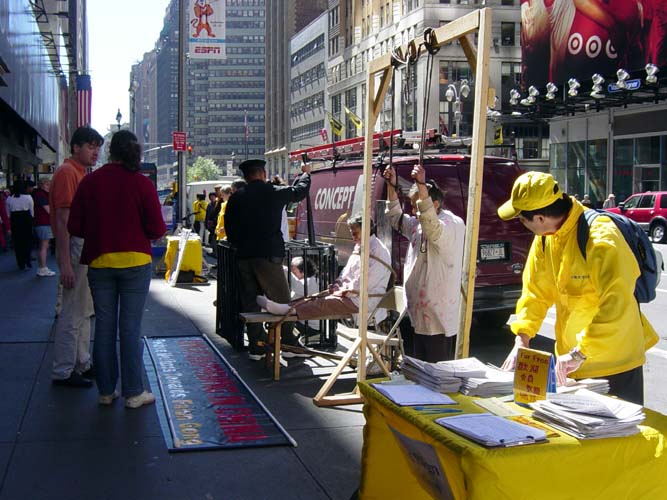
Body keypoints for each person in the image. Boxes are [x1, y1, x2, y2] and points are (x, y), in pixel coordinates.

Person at [497, 171, 658, 405]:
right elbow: (535, 293)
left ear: (540, 218)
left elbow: (617, 304)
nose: (522, 225)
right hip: (572, 364)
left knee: (619, 428)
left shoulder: (600, 236)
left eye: (522, 219)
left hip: (616, 365)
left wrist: (580, 352)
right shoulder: (546, 238)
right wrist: (522, 339)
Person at [68, 130, 167, 407]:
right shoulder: (142, 183)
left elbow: (74, 226)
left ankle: (106, 390)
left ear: (110, 151)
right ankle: (134, 392)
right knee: (130, 328)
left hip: (100, 263)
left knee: (104, 327)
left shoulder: (90, 182)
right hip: (136, 263)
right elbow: (157, 228)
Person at [224, 159, 311, 360]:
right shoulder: (273, 192)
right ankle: (288, 343)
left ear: (246, 177)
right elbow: (299, 192)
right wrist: (306, 174)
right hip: (267, 256)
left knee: (251, 301)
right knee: (281, 300)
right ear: (263, 173)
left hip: (244, 256)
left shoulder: (236, 198)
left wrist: (239, 245)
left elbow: (229, 228)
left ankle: (257, 344)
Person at [383, 164, 465, 363]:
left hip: (438, 314)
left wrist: (421, 185)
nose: (414, 211)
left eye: (417, 206)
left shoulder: (451, 224)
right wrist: (391, 186)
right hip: (419, 312)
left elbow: (434, 229)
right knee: (421, 369)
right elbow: (396, 218)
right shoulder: (418, 224)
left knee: (437, 370)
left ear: (434, 204)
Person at [258, 215, 391, 327]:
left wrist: (343, 290)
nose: (353, 238)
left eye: (355, 233)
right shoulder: (360, 246)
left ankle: (288, 310)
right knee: (314, 297)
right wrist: (338, 283)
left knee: (323, 303)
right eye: (352, 234)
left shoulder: (378, 251)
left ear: (367, 229)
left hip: (365, 300)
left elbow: (366, 283)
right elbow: (346, 271)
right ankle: (286, 307)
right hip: (352, 295)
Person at [50, 126, 103, 388]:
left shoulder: (79, 173)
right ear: (76, 147)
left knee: (83, 309)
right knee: (73, 310)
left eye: (97, 148)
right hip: (75, 246)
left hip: (81, 246)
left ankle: (81, 362)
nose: (95, 152)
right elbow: (63, 222)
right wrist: (65, 265)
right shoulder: (67, 173)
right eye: (90, 146)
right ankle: (64, 369)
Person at [6, 180, 34, 271]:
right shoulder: (28, 197)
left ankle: (20, 263)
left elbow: (8, 214)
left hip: (15, 220)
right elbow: (31, 211)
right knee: (27, 241)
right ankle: (28, 260)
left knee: (18, 242)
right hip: (26, 218)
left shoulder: (9, 198)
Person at [32, 178, 56, 277]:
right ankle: (43, 268)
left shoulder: (40, 194)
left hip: (42, 223)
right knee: (44, 246)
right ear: (41, 185)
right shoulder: (41, 195)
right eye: (47, 184)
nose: (49, 186)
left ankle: (42, 267)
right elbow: (49, 210)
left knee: (43, 245)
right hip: (43, 223)